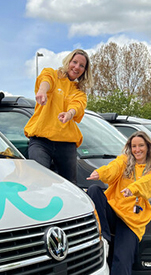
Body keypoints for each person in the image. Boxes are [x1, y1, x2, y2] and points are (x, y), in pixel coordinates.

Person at [86, 131, 151, 275]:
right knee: (94, 190)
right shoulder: (124, 161)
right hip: (114, 212)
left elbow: (148, 184)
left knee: (121, 262)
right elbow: (113, 169)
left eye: (141, 145)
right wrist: (100, 172)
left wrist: (133, 189)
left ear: (148, 147)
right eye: (134, 146)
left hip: (132, 222)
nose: (137, 149)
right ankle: (105, 238)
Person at [24, 49, 93, 184]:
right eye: (75, 62)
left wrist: (69, 113)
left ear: (84, 70)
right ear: (68, 61)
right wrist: (42, 91)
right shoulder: (52, 74)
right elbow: (46, 80)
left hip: (66, 144)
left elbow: (77, 105)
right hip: (41, 141)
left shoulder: (79, 92)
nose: (77, 67)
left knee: (69, 184)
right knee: (38, 179)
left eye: (81, 65)